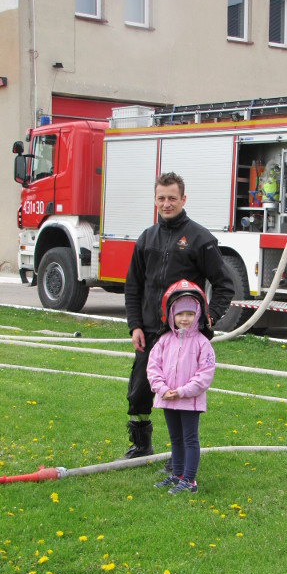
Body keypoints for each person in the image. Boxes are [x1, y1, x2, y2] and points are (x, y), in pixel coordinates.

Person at [123, 171, 234, 461]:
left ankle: (180, 458)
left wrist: (209, 318)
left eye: (172, 198)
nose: (167, 203)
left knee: (179, 396)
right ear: (154, 199)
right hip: (149, 330)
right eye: (161, 198)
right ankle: (141, 445)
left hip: (181, 335)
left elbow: (224, 284)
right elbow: (133, 286)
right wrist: (135, 325)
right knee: (140, 390)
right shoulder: (146, 238)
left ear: (183, 199)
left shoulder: (200, 239)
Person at [147, 282, 215, 494]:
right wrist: (162, 389)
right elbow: (153, 367)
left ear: (198, 315)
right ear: (171, 315)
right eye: (180, 314)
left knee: (190, 439)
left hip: (189, 401)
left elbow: (204, 375)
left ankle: (190, 480)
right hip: (168, 399)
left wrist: (182, 391)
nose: (184, 318)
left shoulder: (203, 343)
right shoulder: (163, 341)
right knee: (175, 438)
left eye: (190, 314)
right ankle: (177, 474)